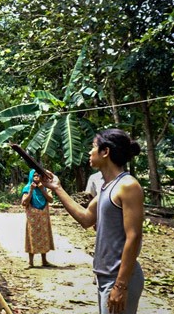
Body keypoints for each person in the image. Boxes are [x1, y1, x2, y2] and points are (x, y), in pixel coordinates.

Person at [45, 128, 145, 314]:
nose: (89, 152)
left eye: (93, 147)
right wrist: (57, 188)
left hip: (119, 278)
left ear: (105, 152)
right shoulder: (107, 187)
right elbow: (85, 219)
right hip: (106, 277)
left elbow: (134, 236)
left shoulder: (128, 186)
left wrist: (121, 285)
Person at [21, 169, 55, 267]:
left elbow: (51, 199)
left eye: (38, 175)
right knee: (32, 237)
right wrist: (31, 190)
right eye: (34, 175)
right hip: (32, 216)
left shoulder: (45, 187)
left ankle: (44, 260)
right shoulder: (27, 188)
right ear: (31, 177)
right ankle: (31, 262)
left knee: (44, 236)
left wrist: (41, 190)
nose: (36, 177)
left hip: (43, 216)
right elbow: (24, 202)